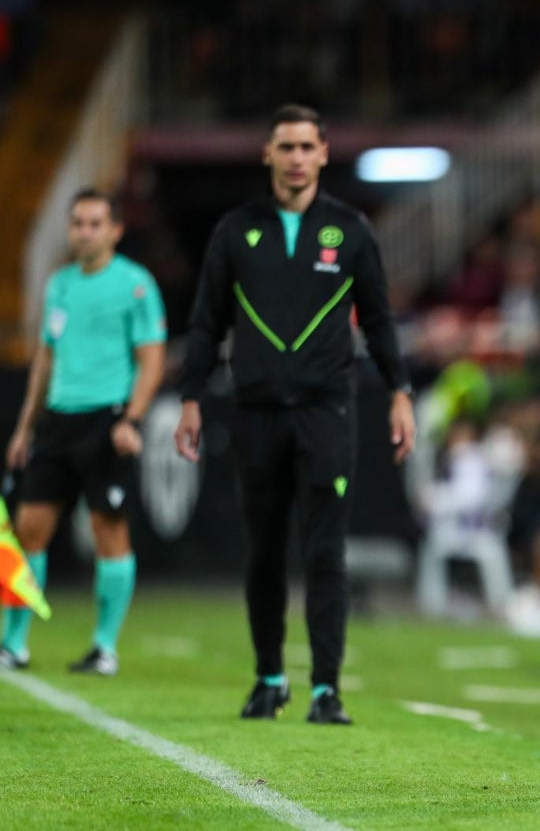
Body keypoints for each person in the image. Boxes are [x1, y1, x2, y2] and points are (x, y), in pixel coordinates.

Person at [173, 104, 415, 725]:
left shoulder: (351, 230)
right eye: (286, 147)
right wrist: (191, 396)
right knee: (263, 552)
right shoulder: (235, 230)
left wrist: (400, 392)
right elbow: (206, 321)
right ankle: (268, 678)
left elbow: (380, 319)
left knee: (325, 552)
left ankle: (325, 689)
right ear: (268, 155)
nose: (297, 158)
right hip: (255, 413)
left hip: (325, 413)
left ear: (324, 153)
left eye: (307, 146)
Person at [1, 187, 166, 675]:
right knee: (28, 530)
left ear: (116, 229)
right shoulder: (60, 285)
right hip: (57, 419)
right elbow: (45, 359)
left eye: (95, 223)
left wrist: (131, 419)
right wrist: (25, 428)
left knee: (106, 530)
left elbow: (151, 360)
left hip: (107, 419)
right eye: (77, 222)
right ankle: (14, 644)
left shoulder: (136, 285)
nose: (84, 231)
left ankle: (104, 646)